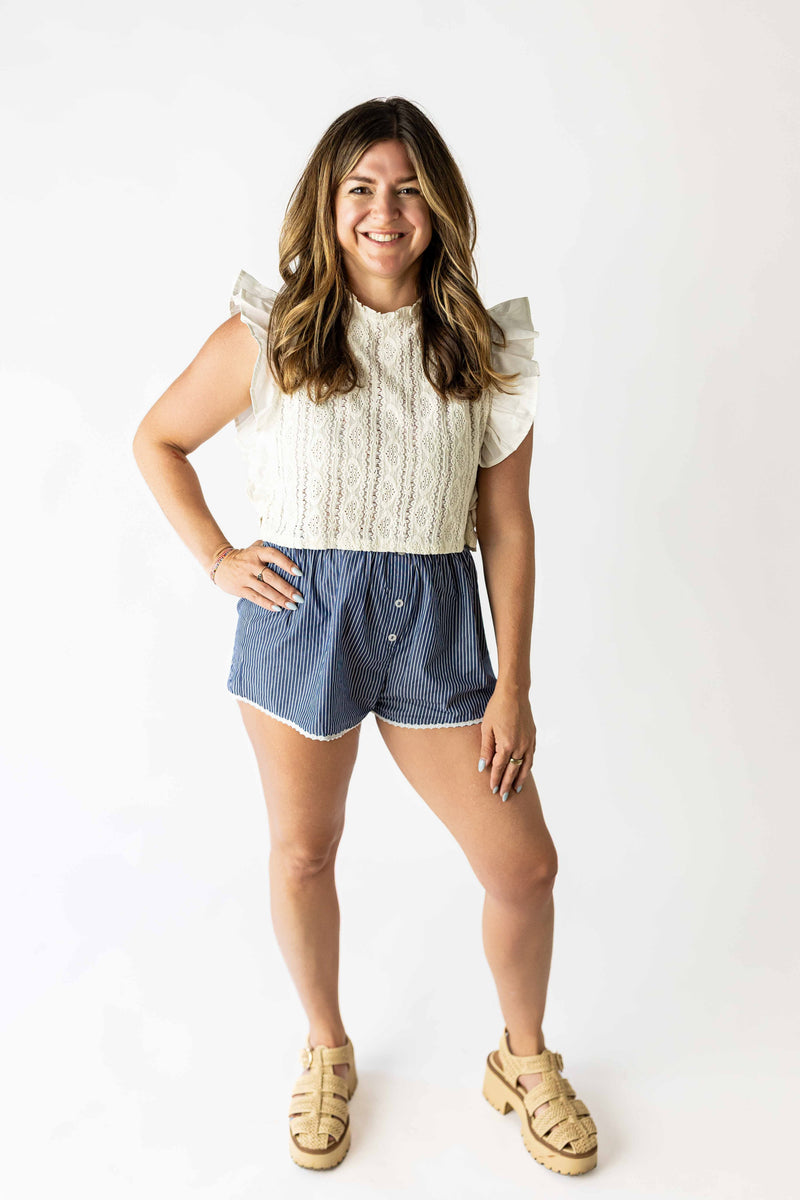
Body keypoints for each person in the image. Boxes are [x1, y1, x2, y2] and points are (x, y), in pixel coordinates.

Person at [132, 95, 598, 1176]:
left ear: (436, 207)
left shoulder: (479, 346)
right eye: (359, 188)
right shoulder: (267, 333)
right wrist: (215, 557)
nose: (383, 212)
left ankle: (521, 1058)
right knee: (304, 852)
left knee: (523, 867)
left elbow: (504, 526)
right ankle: (326, 1048)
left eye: (406, 190)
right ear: (327, 203)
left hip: (436, 624)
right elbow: (158, 439)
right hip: (301, 618)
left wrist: (511, 682)